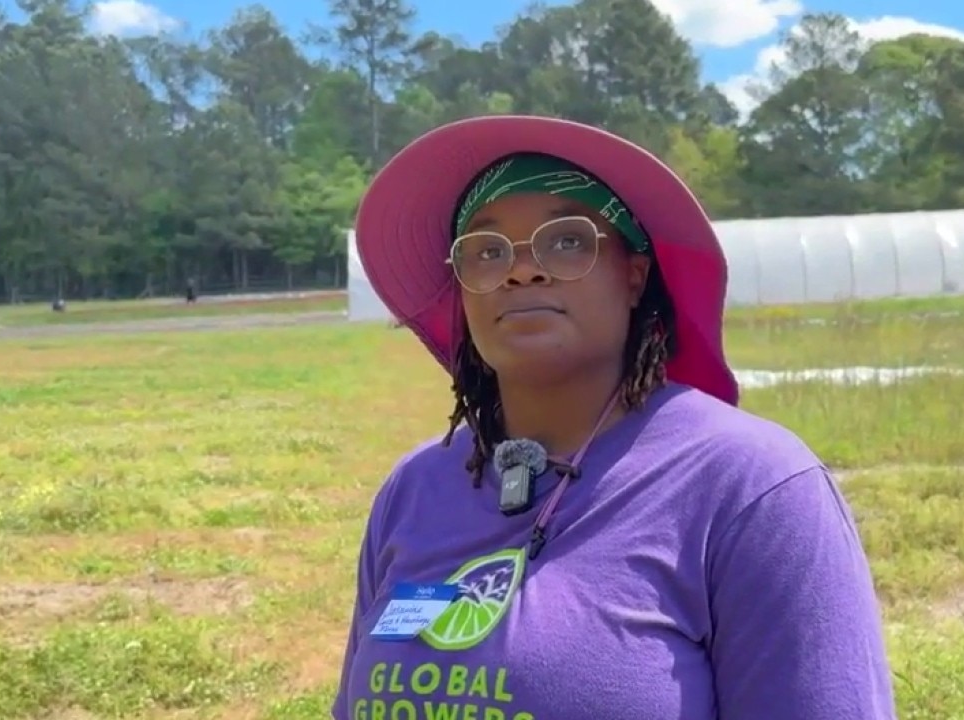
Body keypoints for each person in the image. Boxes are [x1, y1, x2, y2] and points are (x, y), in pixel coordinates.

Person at [331, 115, 897, 720]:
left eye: (567, 240)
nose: (522, 270)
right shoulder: (416, 487)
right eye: (487, 251)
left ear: (634, 275)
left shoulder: (752, 487)